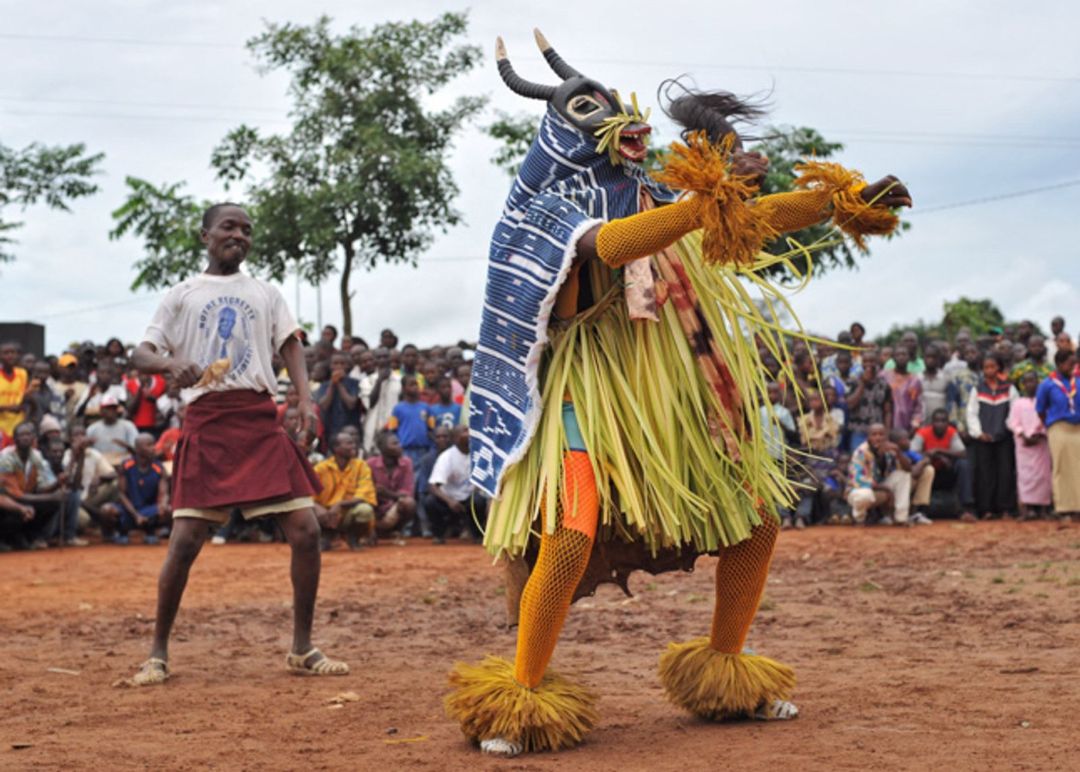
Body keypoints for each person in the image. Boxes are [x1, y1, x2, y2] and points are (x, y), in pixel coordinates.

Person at [446, 36, 911, 757]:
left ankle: (726, 673)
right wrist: (705, 203)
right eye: (595, 110)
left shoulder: (662, 196)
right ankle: (521, 694)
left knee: (756, 522)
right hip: (588, 394)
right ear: (568, 131)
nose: (629, 125)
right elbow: (611, 247)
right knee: (571, 533)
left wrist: (837, 200)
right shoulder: (546, 211)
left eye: (626, 111)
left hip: (676, 397)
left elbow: (746, 222)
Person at [124, 202, 347, 687]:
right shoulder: (182, 294)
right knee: (184, 544)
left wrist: (304, 400)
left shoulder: (265, 292)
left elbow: (290, 345)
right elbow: (142, 351)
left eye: (247, 230)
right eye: (229, 227)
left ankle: (302, 648)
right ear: (205, 235)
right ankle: (157, 654)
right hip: (207, 421)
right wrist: (166, 367)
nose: (239, 236)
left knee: (306, 530)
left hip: (259, 420)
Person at [966, 354, 1017, 520]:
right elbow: (971, 413)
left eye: (992, 366)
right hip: (984, 438)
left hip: (1004, 437)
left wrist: (1006, 429)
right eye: (986, 367)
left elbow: (1014, 411)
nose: (989, 370)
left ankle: (1005, 509)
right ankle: (986, 509)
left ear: (998, 368)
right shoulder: (978, 388)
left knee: (1005, 472)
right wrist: (978, 433)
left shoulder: (1009, 388)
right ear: (982, 369)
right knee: (985, 474)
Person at [0, 421, 62, 549]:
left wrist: (57, 484)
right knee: (16, 511)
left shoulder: (36, 456)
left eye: (28, 434)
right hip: (9, 501)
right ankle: (8, 538)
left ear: (33, 438)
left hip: (26, 497)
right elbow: (14, 494)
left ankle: (33, 536)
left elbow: (41, 487)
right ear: (15, 439)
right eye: (21, 435)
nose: (25, 437)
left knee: (54, 502)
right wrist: (46, 498)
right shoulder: (6, 458)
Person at [1035, 350, 1080, 519]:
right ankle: (1063, 507)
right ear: (1060, 364)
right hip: (1059, 428)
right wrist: (1050, 424)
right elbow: (1040, 410)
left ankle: (1078, 507)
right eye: (1070, 364)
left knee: (1078, 468)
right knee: (1061, 467)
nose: (1073, 367)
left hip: (1078, 429)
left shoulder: (1078, 381)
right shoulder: (1047, 384)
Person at [312, 432, 377, 550]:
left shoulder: (361, 466)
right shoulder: (321, 468)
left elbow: (363, 495)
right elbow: (307, 495)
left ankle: (353, 537)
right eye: (349, 443)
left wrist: (339, 504)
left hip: (347, 513)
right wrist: (318, 508)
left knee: (365, 511)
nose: (354, 446)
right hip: (325, 514)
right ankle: (325, 536)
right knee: (310, 510)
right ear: (336, 448)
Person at [102, 434, 169, 545]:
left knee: (167, 510)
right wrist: (136, 515)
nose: (154, 448)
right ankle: (118, 533)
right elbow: (121, 494)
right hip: (129, 510)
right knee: (106, 510)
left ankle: (150, 532)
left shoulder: (159, 468)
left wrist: (163, 504)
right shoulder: (126, 465)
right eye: (149, 445)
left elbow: (164, 493)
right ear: (138, 449)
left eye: (153, 444)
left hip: (148, 510)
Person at [425, 426, 487, 544]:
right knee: (430, 502)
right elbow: (433, 486)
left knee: (479, 501)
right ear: (455, 438)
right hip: (450, 500)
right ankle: (439, 535)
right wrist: (450, 501)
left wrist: (477, 490)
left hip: (470, 498)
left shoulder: (479, 454)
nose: (469, 433)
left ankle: (477, 534)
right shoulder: (447, 457)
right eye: (465, 431)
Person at [912, 408, 973, 521]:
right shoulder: (923, 433)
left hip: (945, 471)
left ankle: (966, 508)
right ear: (932, 423)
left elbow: (963, 453)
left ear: (948, 423)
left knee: (963, 464)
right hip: (928, 472)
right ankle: (920, 510)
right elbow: (912, 453)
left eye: (943, 421)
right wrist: (934, 456)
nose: (940, 424)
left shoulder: (951, 432)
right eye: (937, 421)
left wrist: (939, 450)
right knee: (926, 469)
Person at [847, 423, 913, 525]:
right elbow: (859, 481)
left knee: (903, 475)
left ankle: (901, 518)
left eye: (881, 434)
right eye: (874, 434)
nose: (878, 438)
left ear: (886, 436)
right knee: (864, 495)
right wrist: (887, 490)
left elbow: (908, 469)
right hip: (859, 490)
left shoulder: (890, 449)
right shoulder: (861, 452)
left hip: (880, 490)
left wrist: (898, 452)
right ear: (868, 437)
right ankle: (859, 518)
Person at [1007, 370, 1052, 520]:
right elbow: (1012, 422)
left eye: (1033, 381)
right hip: (1023, 445)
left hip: (1041, 443)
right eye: (1026, 382)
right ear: (1022, 385)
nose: (1030, 384)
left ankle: (1044, 509)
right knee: (1024, 477)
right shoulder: (1018, 403)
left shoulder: (1044, 402)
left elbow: (1048, 419)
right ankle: (1025, 509)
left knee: (1044, 476)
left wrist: (1040, 434)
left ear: (1038, 383)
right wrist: (1023, 434)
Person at [367, 430, 417, 538]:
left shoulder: (406, 463)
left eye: (398, 443)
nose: (400, 446)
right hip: (375, 508)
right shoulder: (370, 464)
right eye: (394, 444)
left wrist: (387, 493)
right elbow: (367, 492)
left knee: (409, 503)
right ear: (382, 448)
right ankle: (371, 529)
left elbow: (407, 493)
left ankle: (395, 530)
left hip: (393, 507)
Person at [846, 351, 893, 451]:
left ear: (876, 362)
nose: (868, 364)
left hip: (878, 433)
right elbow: (850, 405)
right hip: (858, 431)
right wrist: (862, 384)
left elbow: (887, 411)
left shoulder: (884, 384)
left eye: (871, 361)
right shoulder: (853, 382)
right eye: (865, 361)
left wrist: (887, 434)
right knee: (859, 460)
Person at [387, 375, 433, 469]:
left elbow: (431, 429)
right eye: (411, 385)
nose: (415, 387)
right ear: (404, 388)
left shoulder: (426, 407)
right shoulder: (397, 409)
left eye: (416, 384)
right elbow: (392, 430)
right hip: (405, 450)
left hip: (423, 450)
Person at [889, 429, 934, 524]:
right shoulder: (891, 453)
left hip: (905, 486)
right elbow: (914, 473)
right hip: (891, 490)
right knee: (909, 474)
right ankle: (888, 515)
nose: (909, 442)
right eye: (906, 439)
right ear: (896, 443)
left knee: (928, 470)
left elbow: (926, 459)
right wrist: (920, 464)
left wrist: (921, 463)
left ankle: (916, 512)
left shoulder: (908, 452)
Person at [316, 352, 361, 444]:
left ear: (347, 366)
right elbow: (324, 405)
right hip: (331, 429)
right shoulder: (324, 385)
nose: (339, 366)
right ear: (331, 366)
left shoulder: (355, 383)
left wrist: (339, 383)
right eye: (335, 363)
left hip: (350, 428)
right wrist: (333, 383)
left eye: (342, 363)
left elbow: (351, 404)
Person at [363, 347, 401, 454]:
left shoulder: (400, 380)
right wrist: (379, 381)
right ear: (374, 360)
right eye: (379, 357)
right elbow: (369, 404)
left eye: (385, 357)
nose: (382, 360)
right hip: (372, 432)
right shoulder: (366, 382)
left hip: (394, 430)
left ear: (390, 359)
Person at [86, 396, 138, 466]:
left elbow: (137, 451)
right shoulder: (92, 428)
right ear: (101, 410)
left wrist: (127, 446)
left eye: (113, 408)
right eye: (108, 408)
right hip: (100, 465)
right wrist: (88, 444)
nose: (111, 411)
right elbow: (87, 453)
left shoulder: (129, 426)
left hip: (123, 464)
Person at [883, 347, 923, 432]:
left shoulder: (914, 380)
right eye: (898, 355)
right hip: (886, 425)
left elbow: (918, 406)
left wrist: (915, 424)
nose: (901, 357)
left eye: (904, 354)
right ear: (893, 358)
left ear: (909, 357)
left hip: (907, 427)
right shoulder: (884, 376)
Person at [0, 341, 29, 441]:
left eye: (13, 352)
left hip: (19, 428)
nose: (10, 356)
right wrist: (8, 408)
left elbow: (23, 397)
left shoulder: (22, 374)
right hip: (1, 429)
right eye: (6, 353)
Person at [126, 372, 167, 437]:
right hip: (136, 426)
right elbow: (129, 408)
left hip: (156, 426)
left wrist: (153, 399)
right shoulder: (131, 384)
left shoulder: (161, 382)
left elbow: (165, 405)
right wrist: (140, 390)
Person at [920, 346, 949, 423]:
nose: (930, 360)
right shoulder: (917, 378)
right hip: (922, 423)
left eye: (933, 357)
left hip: (940, 423)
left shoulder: (945, 377)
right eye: (928, 357)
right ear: (923, 358)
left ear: (938, 359)